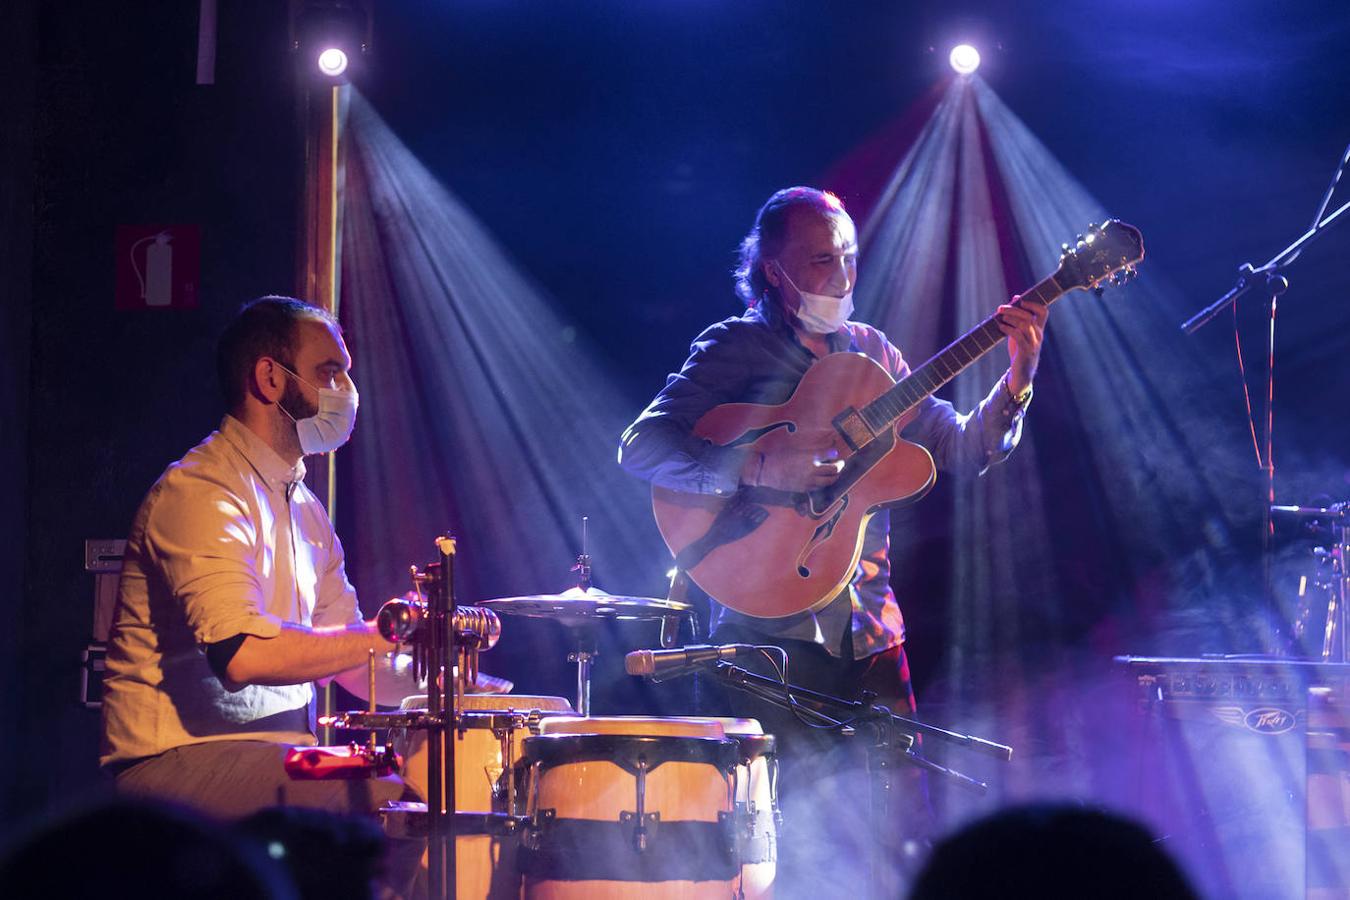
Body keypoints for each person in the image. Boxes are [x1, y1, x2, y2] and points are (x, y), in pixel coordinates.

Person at [618, 187, 1047, 894]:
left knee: (900, 834)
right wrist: (756, 464)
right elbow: (642, 445)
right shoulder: (735, 348)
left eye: (848, 257)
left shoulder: (874, 353)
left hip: (870, 627)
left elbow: (966, 446)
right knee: (774, 847)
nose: (842, 277)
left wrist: (1018, 381)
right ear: (773, 269)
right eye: (821, 260)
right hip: (763, 636)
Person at [100, 296, 407, 819]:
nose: (346, 393)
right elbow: (244, 656)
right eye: (329, 372)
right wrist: (390, 631)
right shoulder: (202, 489)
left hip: (274, 757)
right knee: (394, 804)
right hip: (174, 764)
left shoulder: (307, 509)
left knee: (412, 782)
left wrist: (451, 680)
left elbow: (355, 660)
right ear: (270, 378)